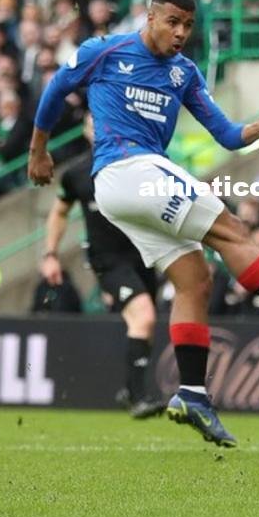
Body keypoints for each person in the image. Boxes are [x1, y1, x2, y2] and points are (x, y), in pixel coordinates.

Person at [28, 0, 259, 448]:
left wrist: (257, 130)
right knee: (232, 229)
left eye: (188, 25)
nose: (181, 32)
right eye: (173, 22)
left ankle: (192, 394)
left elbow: (226, 135)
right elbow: (56, 87)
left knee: (195, 280)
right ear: (150, 18)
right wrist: (38, 150)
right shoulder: (105, 51)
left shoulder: (183, 74)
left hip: (128, 189)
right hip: (128, 170)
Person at [41, 110, 163, 419]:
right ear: (85, 131)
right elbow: (59, 212)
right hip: (107, 260)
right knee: (144, 317)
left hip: (142, 255)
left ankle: (130, 389)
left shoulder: (136, 167)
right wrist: (50, 254)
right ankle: (138, 398)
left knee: (145, 325)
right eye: (92, 123)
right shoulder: (77, 174)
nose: (98, 128)